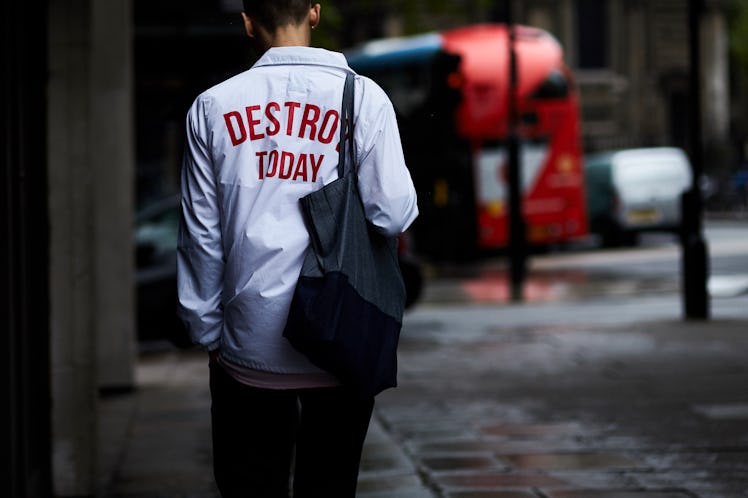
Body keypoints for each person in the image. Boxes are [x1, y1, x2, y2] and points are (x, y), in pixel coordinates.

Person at [176, 1, 419, 497]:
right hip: (342, 336)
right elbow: (392, 213)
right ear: (313, 11)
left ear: (248, 20)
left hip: (249, 343)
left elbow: (202, 236)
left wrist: (208, 333)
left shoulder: (212, 107)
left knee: (251, 487)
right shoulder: (365, 99)